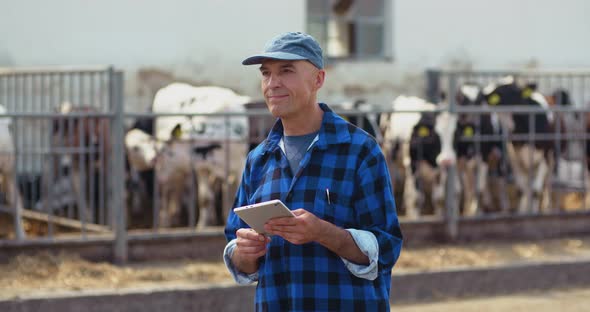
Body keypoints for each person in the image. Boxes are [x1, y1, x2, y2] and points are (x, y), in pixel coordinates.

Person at [223, 31, 403, 311]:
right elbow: (236, 248)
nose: (273, 83)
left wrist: (322, 232)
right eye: (266, 73)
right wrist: (245, 253)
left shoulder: (359, 150)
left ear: (318, 79)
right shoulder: (258, 160)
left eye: (286, 71)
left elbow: (387, 248)